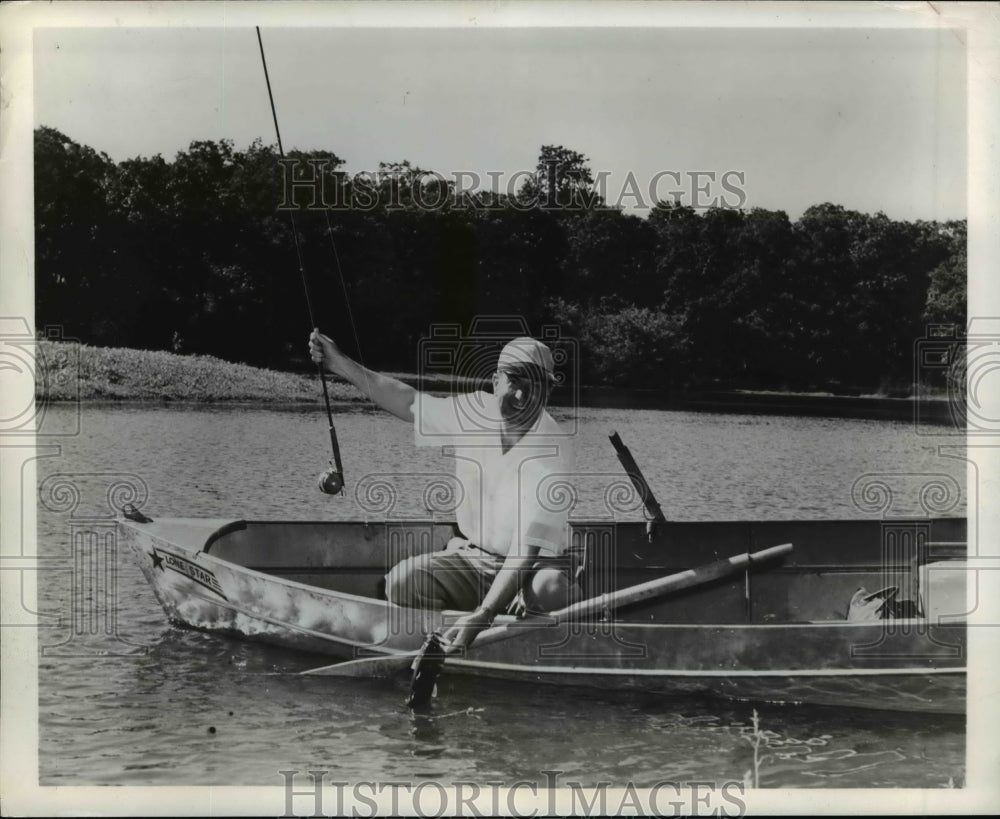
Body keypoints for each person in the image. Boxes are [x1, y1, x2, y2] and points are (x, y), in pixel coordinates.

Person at [308, 330, 576, 652]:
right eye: (516, 381)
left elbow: (524, 551)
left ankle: (501, 633)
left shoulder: (554, 450)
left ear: (548, 392)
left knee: (551, 588)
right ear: (496, 382)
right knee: (402, 582)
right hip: (475, 558)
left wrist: (484, 614)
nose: (524, 395)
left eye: (537, 386)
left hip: (533, 567)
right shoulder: (474, 412)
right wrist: (339, 364)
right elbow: (408, 402)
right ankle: (449, 643)